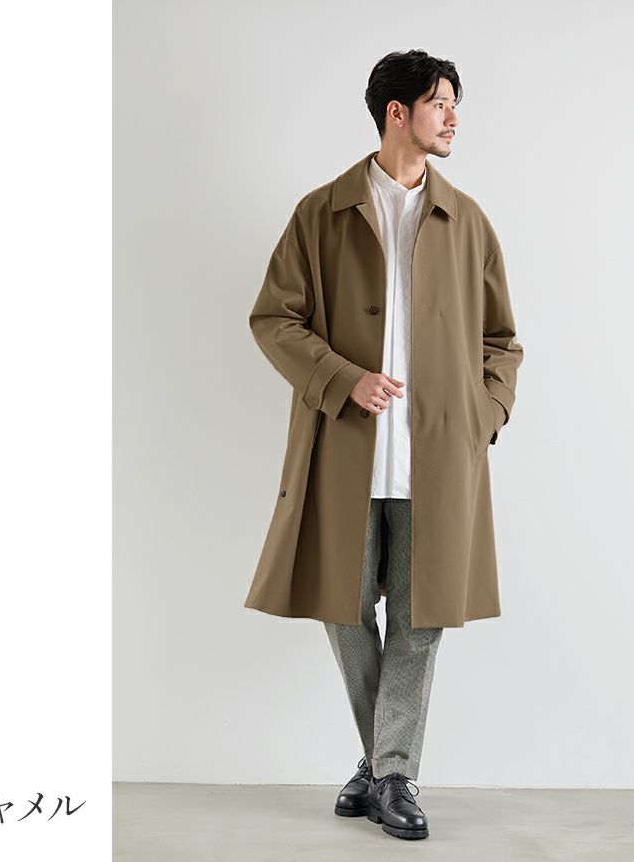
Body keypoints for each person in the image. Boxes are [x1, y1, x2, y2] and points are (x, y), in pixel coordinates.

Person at [244, 49, 524, 841]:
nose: (453, 117)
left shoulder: (467, 221)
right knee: (341, 607)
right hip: (345, 454)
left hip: (438, 459)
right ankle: (382, 761)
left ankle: (391, 772)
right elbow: (274, 318)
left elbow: (501, 341)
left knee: (419, 617)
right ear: (397, 112)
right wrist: (342, 379)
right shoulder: (322, 213)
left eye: (454, 103)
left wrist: (482, 415)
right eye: (440, 103)